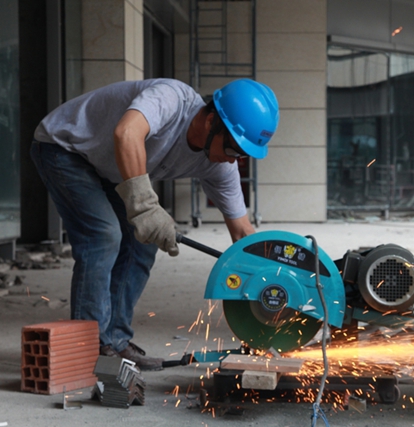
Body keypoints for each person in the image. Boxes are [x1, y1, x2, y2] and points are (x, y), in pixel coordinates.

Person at [30, 78, 279, 370]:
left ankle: (115, 342)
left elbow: (242, 232)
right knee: (104, 235)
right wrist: (147, 208)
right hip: (65, 149)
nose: (233, 161)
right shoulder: (171, 98)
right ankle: (89, 348)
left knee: (142, 243)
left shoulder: (219, 164)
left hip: (106, 166)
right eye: (235, 149)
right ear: (211, 121)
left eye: (243, 155)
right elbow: (126, 133)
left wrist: (270, 280)